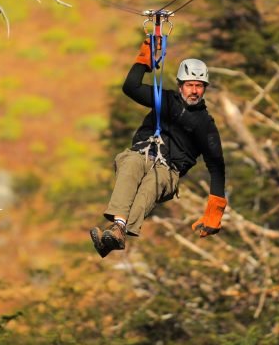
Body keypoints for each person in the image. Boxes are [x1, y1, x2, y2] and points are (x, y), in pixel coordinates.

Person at [90, 38, 227, 258]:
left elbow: (217, 167)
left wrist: (214, 212)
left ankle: (119, 230)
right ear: (180, 85)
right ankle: (117, 230)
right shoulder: (166, 100)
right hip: (142, 153)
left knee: (152, 182)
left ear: (204, 89)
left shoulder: (205, 125)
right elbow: (130, 87)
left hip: (168, 171)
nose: (194, 91)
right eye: (190, 85)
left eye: (199, 86)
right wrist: (146, 56)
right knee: (132, 163)